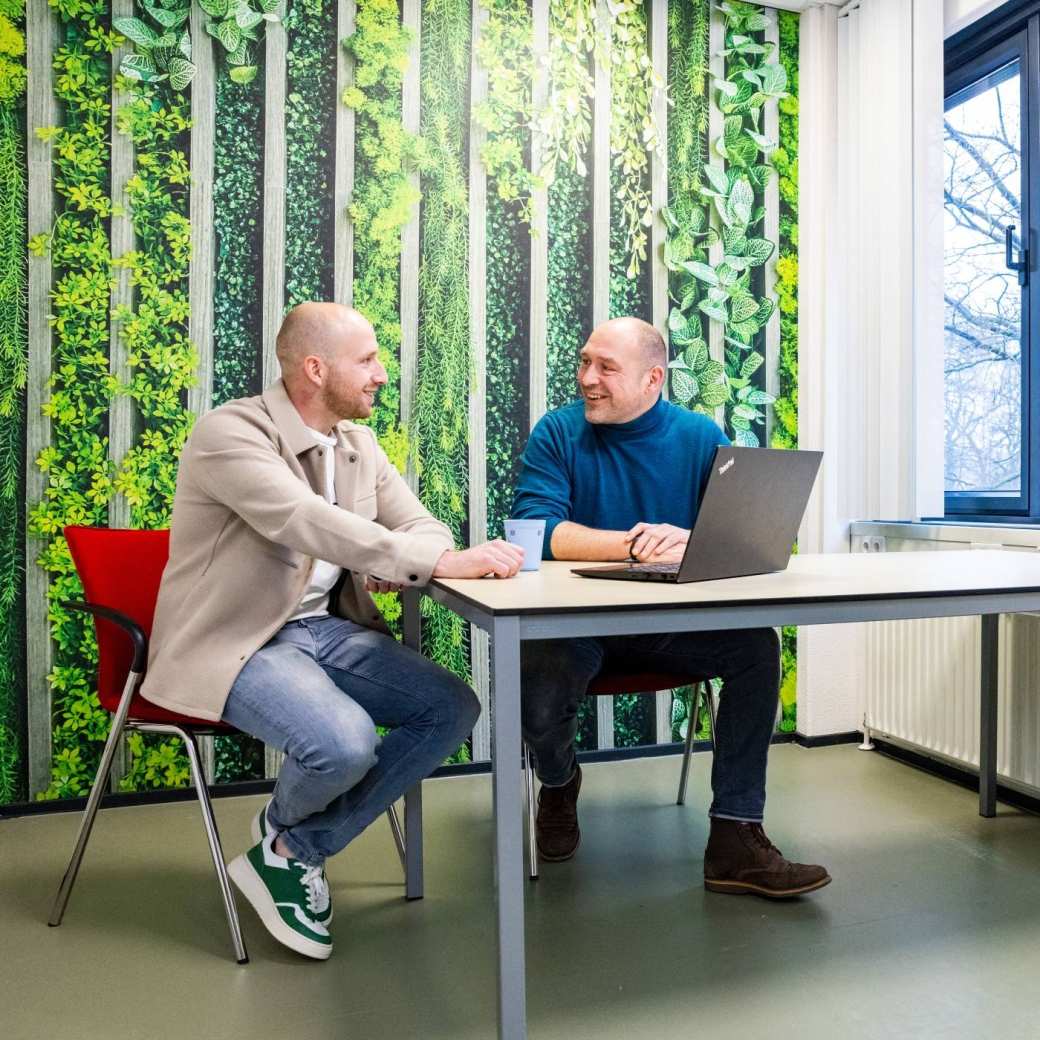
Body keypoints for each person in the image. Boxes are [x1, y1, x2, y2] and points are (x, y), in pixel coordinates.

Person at [140, 302, 524, 960]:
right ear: (316, 370)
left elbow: (423, 527)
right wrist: (415, 561)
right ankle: (291, 847)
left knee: (450, 707)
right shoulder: (229, 434)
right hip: (238, 641)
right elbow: (305, 521)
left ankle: (291, 845)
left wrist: (408, 557)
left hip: (323, 632)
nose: (380, 373)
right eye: (367, 359)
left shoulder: (357, 446)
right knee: (344, 745)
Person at [511, 316, 830, 899]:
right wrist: (634, 542)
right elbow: (537, 531)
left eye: (606, 367)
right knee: (538, 674)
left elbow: (739, 537)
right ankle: (559, 782)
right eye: (585, 362)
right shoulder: (557, 432)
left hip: (666, 628)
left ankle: (736, 835)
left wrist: (689, 538)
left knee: (756, 647)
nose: (587, 378)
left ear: (653, 378)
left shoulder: (700, 435)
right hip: (574, 628)